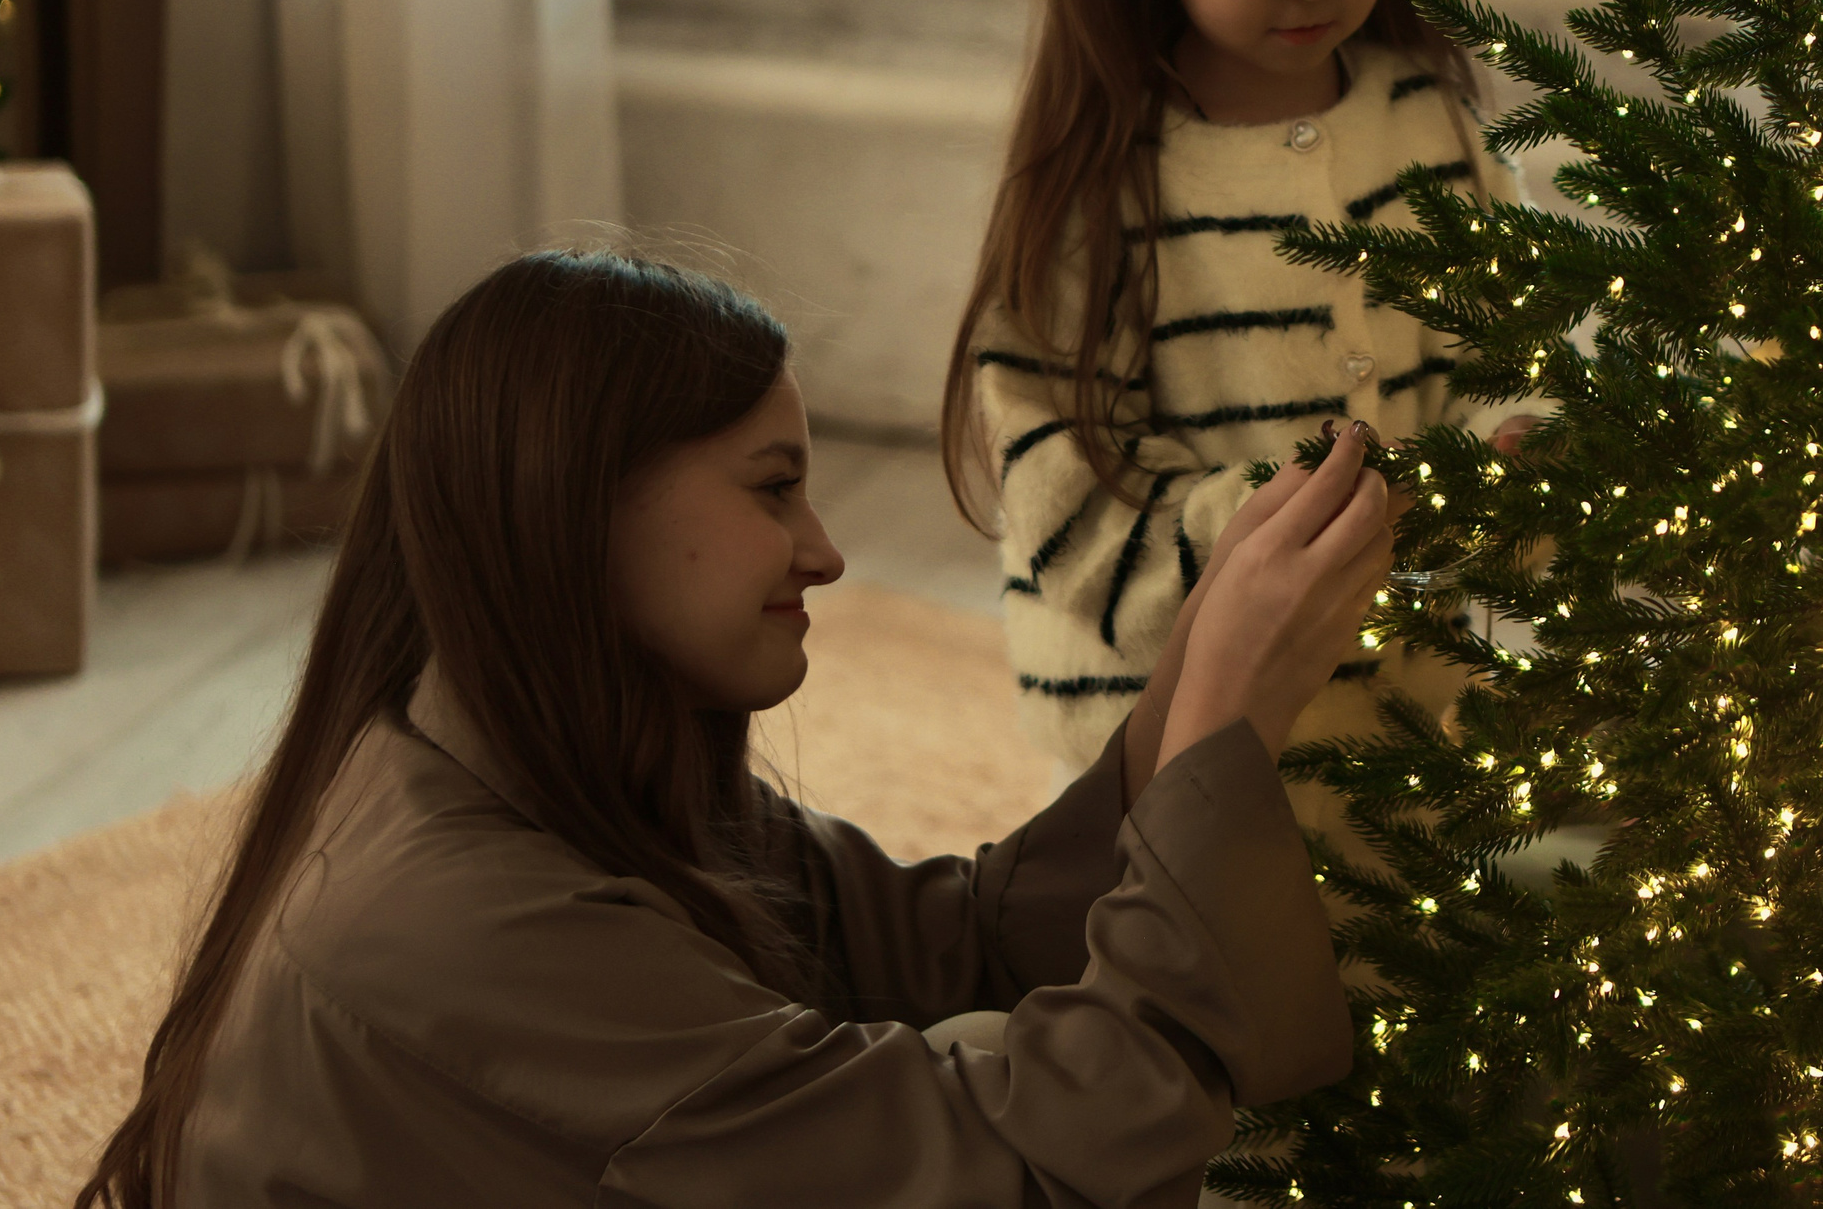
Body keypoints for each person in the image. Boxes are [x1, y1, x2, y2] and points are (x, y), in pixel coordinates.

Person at [75, 251, 1393, 1208]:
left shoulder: (566, 752)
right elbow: (1025, 1173)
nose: (823, 549)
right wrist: (1229, 730)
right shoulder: (465, 923)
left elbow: (970, 940)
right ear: (579, 507)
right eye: (775, 489)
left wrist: (1187, 684)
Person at [941, 0, 1536, 804]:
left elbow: (1503, 367)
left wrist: (1513, 456)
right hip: (1168, 764)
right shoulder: (1102, 180)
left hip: (1407, 744)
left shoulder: (1428, 117)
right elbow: (1072, 518)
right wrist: (1314, 524)